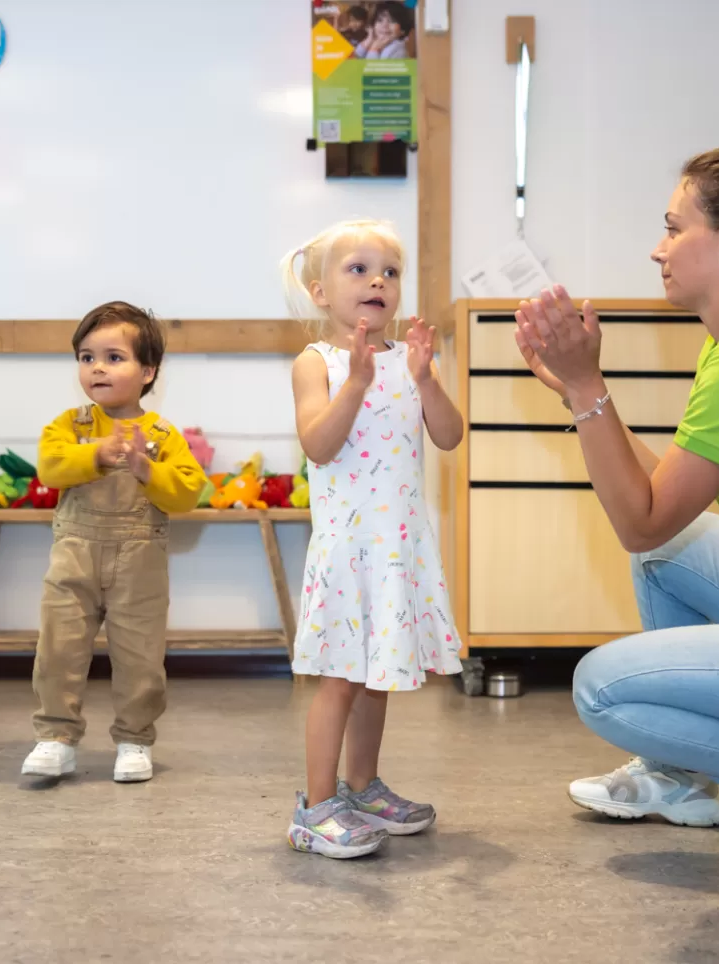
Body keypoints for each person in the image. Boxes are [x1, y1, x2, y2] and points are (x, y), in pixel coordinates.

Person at [513, 144, 719, 887]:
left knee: (601, 688)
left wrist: (586, 387)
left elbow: (639, 517)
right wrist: (574, 393)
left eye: (675, 228)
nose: (657, 247)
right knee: (665, 555)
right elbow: (663, 506)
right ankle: (681, 780)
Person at [281, 218, 463, 858]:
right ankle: (315, 806)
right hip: (346, 549)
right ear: (319, 291)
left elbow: (448, 435)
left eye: (388, 272)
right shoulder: (318, 363)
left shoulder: (406, 360)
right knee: (339, 678)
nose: (377, 282)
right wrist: (354, 382)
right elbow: (319, 445)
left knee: (375, 675)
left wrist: (424, 378)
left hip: (397, 547)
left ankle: (361, 787)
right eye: (357, 269)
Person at [21, 302, 207, 783]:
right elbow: (50, 467)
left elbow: (188, 492)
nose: (97, 368)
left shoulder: (164, 436)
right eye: (86, 357)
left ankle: (133, 739)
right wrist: (95, 454)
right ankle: (56, 737)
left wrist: (150, 470)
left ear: (148, 372)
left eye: (113, 357)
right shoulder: (69, 426)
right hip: (73, 560)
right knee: (58, 649)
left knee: (140, 657)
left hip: (139, 564)